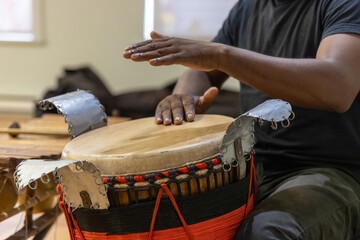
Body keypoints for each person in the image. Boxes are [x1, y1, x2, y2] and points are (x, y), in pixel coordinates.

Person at [123, 0, 360, 239]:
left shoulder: (345, 4)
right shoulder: (248, 8)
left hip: (331, 172)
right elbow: (202, 70)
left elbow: (338, 85)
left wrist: (221, 55)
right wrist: (182, 96)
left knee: (264, 232)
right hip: (251, 165)